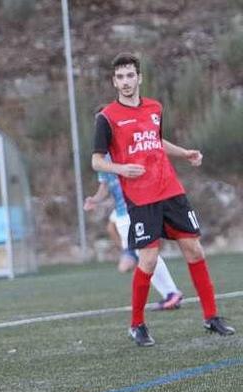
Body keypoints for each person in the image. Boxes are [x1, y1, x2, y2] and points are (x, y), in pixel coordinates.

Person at [91, 52, 234, 346]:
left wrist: (185, 153)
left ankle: (211, 317)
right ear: (114, 81)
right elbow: (96, 161)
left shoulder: (155, 107)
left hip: (170, 189)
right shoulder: (106, 117)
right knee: (149, 258)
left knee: (194, 249)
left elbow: (156, 141)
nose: (126, 81)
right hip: (140, 197)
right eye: (120, 77)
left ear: (139, 78)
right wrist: (120, 168)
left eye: (130, 75)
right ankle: (137, 325)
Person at [84, 167, 183, 310]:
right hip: (121, 216)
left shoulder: (121, 150)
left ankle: (171, 293)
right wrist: (95, 199)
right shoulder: (101, 157)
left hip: (134, 210)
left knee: (146, 254)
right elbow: (105, 185)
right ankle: (170, 294)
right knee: (144, 256)